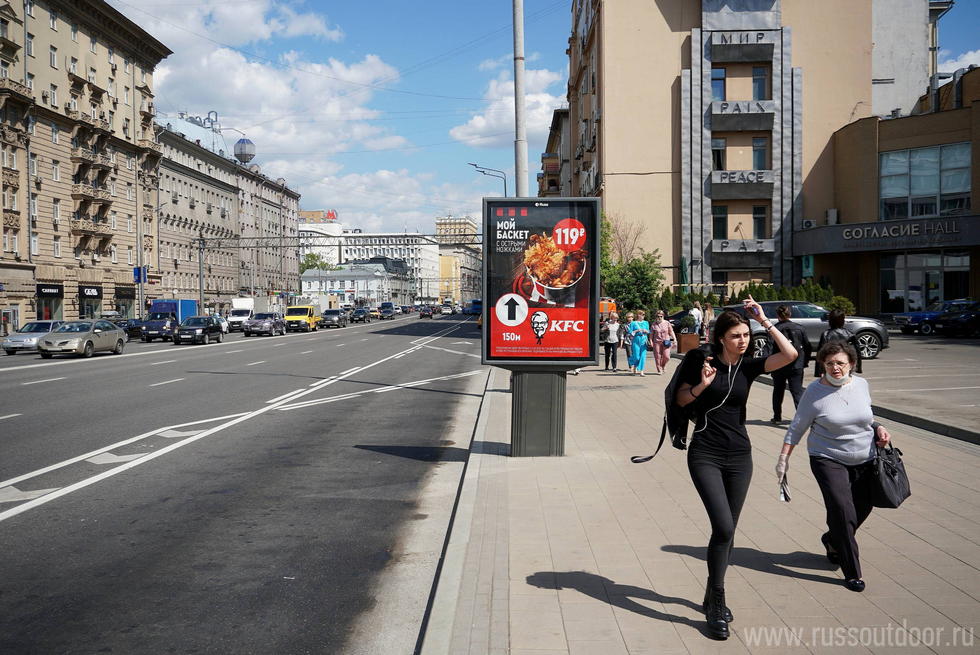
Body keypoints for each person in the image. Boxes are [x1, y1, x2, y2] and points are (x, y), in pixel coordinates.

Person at [676, 296, 799, 640]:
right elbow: (682, 399)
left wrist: (764, 320)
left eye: (746, 335)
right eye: (736, 336)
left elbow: (790, 355)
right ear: (720, 338)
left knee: (727, 532)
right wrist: (702, 383)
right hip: (705, 455)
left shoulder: (748, 366)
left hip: (740, 457)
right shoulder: (702, 360)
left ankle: (710, 591)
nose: (743, 341)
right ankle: (717, 601)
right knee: (724, 527)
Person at [776, 341, 891, 593]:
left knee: (862, 507)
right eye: (829, 363)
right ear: (823, 365)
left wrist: (878, 427)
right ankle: (852, 572)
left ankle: (832, 539)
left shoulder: (861, 384)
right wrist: (783, 458)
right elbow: (797, 426)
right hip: (827, 457)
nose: (835, 368)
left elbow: (866, 416)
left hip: (866, 457)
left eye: (840, 363)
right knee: (842, 509)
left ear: (851, 363)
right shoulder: (814, 392)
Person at [770, 305, 812, 424]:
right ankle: (801, 418)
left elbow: (769, 348)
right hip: (796, 364)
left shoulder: (774, 329)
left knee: (778, 391)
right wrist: (805, 360)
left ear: (777, 315)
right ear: (790, 314)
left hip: (779, 364)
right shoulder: (800, 328)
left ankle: (777, 417)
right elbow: (807, 346)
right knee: (797, 391)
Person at [815, 310, 862, 377]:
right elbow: (857, 353)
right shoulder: (850, 334)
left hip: (831, 365)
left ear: (830, 321)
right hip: (845, 364)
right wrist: (858, 368)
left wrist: (819, 371)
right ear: (843, 320)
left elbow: (820, 353)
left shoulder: (826, 334)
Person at [649, 310, 676, 375]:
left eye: (661, 316)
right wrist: (651, 341)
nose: (659, 317)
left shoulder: (667, 323)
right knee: (657, 356)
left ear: (663, 316)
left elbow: (671, 331)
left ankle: (663, 365)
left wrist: (674, 339)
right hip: (657, 342)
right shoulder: (654, 324)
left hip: (666, 341)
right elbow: (651, 334)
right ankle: (659, 369)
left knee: (667, 356)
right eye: (658, 316)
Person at [627, 310, 651, 376]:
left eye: (643, 314)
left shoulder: (646, 322)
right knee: (637, 356)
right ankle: (633, 364)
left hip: (643, 340)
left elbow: (649, 331)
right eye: (641, 314)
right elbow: (630, 333)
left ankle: (641, 371)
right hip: (636, 340)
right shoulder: (633, 323)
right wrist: (637, 330)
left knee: (643, 356)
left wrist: (646, 331)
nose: (643, 316)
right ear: (638, 315)